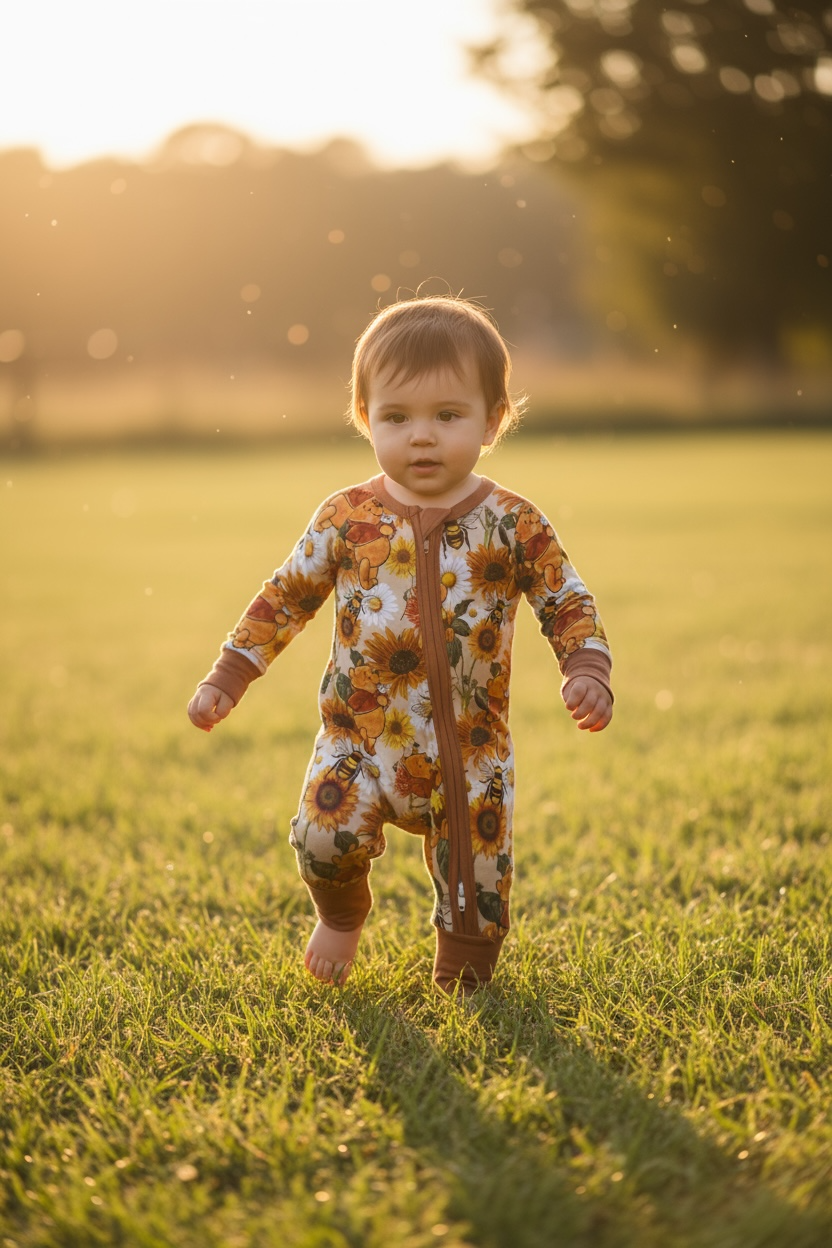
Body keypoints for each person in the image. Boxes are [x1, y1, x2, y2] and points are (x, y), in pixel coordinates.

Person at [188, 295, 612, 995]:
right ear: (364, 417)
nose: (421, 437)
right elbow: (285, 595)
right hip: (358, 740)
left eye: (447, 416)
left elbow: (566, 596)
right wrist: (230, 674)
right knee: (324, 840)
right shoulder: (347, 517)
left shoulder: (511, 522)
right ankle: (343, 913)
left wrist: (586, 664)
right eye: (396, 417)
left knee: (479, 889)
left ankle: (464, 966)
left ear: (493, 420)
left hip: (470, 753)